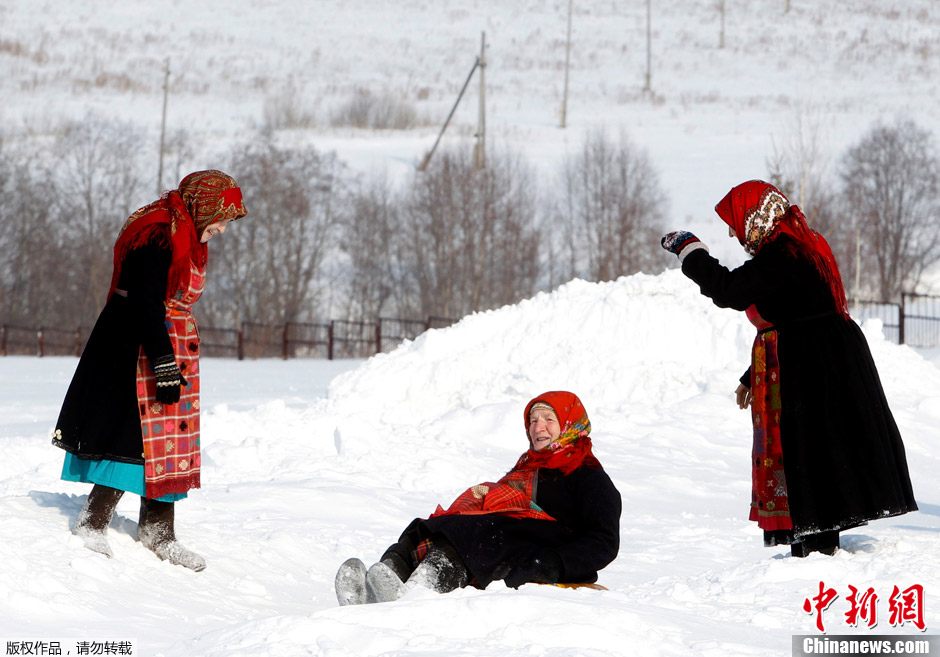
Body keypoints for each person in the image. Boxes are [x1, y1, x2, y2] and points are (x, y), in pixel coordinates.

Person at [661, 179, 917, 557]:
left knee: (811, 452)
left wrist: (691, 250)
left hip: (816, 367)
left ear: (753, 216)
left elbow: (730, 290)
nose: (732, 233)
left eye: (734, 222)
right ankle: (814, 543)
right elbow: (791, 313)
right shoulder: (796, 245)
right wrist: (753, 373)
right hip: (822, 358)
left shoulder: (785, 252)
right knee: (818, 451)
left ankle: (815, 548)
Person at [52, 170, 247, 571]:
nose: (224, 229)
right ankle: (93, 520)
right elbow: (143, 302)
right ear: (204, 206)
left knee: (168, 437)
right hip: (134, 343)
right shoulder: (158, 233)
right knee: (132, 432)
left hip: (166, 342)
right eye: (223, 218)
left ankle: (160, 531)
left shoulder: (186, 233)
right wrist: (161, 360)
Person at [334, 391, 621, 605]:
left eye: (549, 419)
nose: (538, 427)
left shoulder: (589, 476)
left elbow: (604, 542)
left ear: (570, 425)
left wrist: (551, 563)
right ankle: (385, 578)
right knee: (436, 525)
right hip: (516, 536)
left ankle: (420, 591)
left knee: (474, 534)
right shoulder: (529, 467)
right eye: (533, 420)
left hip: (541, 551)